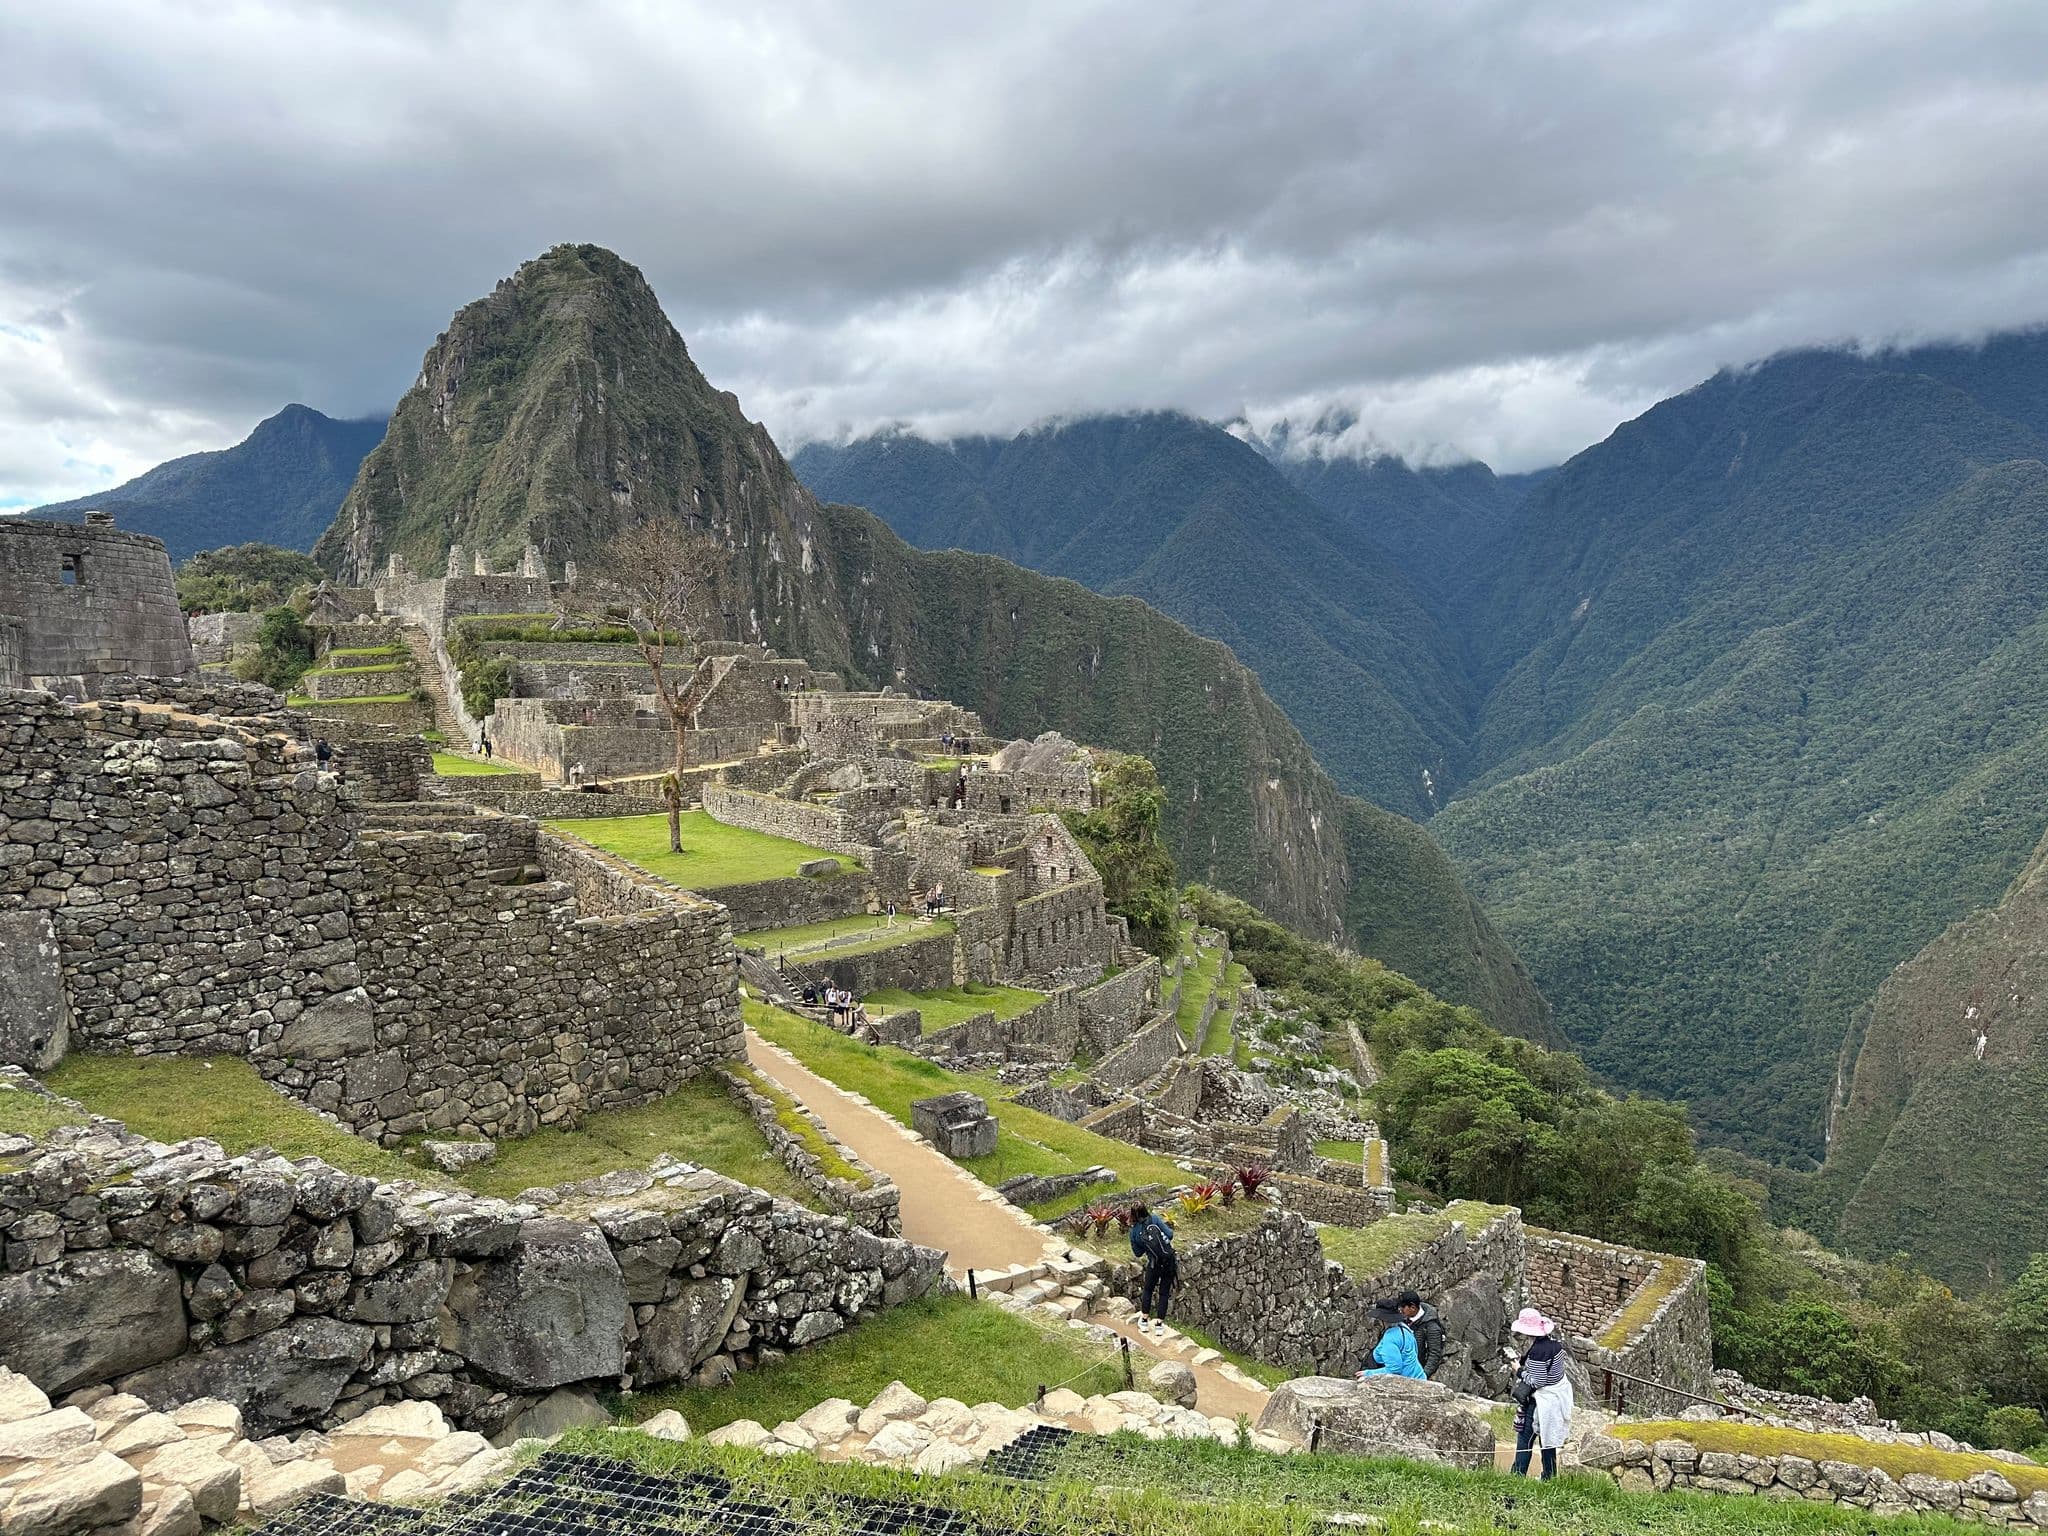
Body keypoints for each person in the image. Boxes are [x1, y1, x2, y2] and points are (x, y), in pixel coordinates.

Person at [1507, 1307, 1573, 1481]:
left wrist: (1519, 1370)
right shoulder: (1554, 1344)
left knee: (1525, 1439)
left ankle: (1517, 1476)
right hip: (1555, 1397)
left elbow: (1538, 1381)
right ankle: (1549, 1477)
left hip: (1541, 1401)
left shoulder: (1538, 1352)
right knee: (1547, 1441)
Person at [1360, 1290, 1441, 1380]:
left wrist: (1422, 1375)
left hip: (1411, 1375)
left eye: (1403, 1307)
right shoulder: (1403, 1325)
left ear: (1413, 1307)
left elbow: (1434, 1354)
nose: (1400, 1310)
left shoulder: (1431, 1328)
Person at [1128, 1203, 1178, 1333]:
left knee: (1148, 1290)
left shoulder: (1134, 1231)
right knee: (1164, 1293)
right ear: (1145, 1209)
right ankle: (1159, 1325)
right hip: (1169, 1261)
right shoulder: (1154, 1219)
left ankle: (1144, 1321)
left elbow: (1138, 1253)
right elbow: (1170, 1234)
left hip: (1154, 1263)